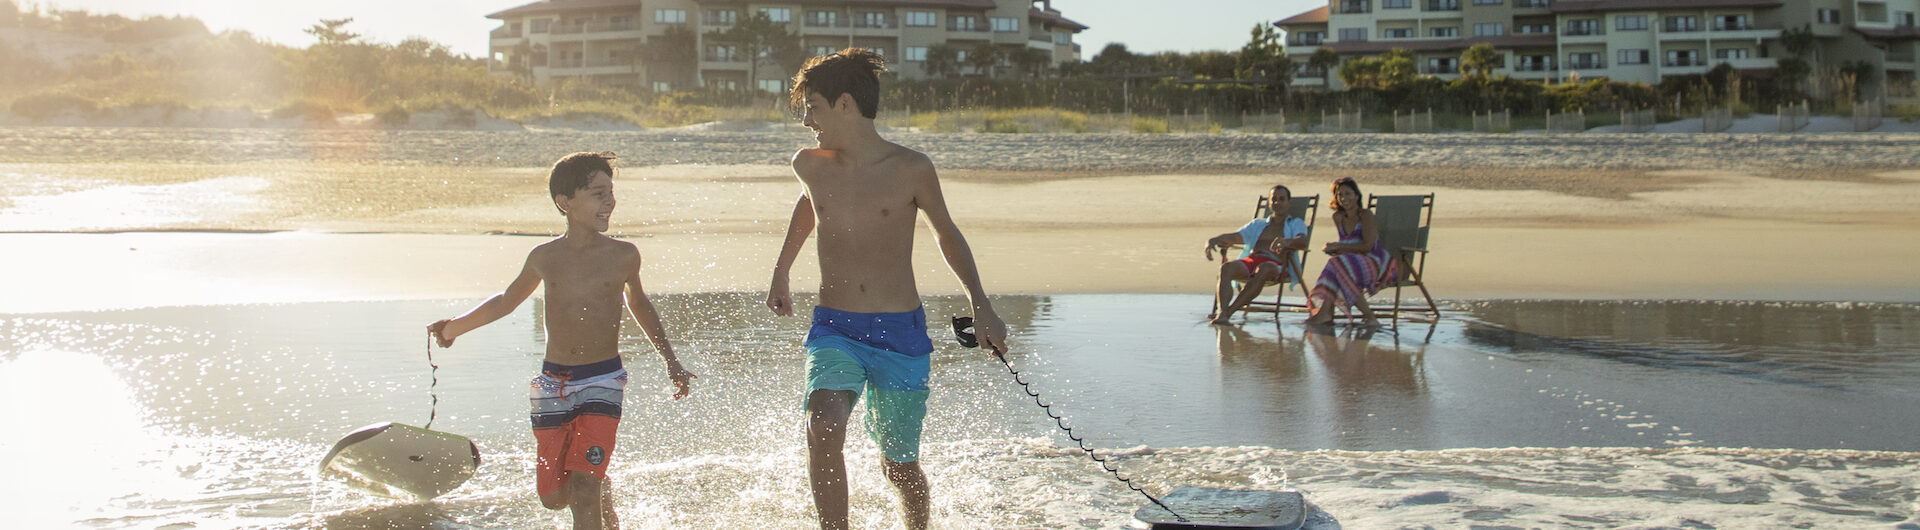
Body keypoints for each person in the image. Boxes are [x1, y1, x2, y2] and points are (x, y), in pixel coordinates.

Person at [765, 48, 1008, 530]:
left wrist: (981, 306)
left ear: (846, 105)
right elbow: (808, 205)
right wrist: (782, 269)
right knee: (824, 427)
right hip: (835, 327)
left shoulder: (911, 168)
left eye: (813, 106)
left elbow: (947, 233)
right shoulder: (809, 165)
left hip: (901, 333)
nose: (807, 120)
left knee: (899, 467)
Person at [427, 152, 695, 530]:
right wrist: (452, 329)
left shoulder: (623, 255)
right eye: (598, 194)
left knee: (583, 491)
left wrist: (671, 361)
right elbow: (505, 303)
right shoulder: (545, 257)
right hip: (554, 382)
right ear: (565, 203)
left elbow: (640, 305)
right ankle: (600, 485)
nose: (609, 202)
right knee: (554, 497)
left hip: (603, 380)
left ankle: (593, 482)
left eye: (611, 192)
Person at [1204, 184, 1311, 324]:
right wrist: (1214, 240)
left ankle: (1228, 312)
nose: (1277, 202)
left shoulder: (1295, 223)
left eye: (1281, 199)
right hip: (1252, 261)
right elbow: (1236, 237)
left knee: (1264, 268)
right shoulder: (1258, 224)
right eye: (1274, 199)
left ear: (1289, 203)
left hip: (1278, 265)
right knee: (1226, 268)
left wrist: (1287, 242)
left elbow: (1302, 241)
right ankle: (1222, 312)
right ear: (1269, 203)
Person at [1305, 177, 1400, 327]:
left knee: (1335, 265)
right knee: (1336, 265)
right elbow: (1346, 246)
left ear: (1357, 196)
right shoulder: (1338, 217)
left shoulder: (1366, 215)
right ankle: (1327, 313)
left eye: (1348, 194)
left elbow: (1368, 246)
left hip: (1376, 264)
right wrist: (1334, 248)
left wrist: (1339, 247)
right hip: (1351, 265)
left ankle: (1364, 315)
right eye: (1340, 195)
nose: (1344, 198)